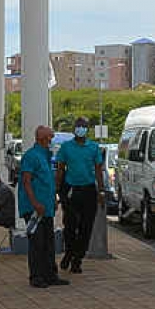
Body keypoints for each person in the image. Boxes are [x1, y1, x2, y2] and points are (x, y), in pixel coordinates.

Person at [19, 126, 69, 288]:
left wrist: (53, 199)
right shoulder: (31, 156)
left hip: (46, 207)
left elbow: (47, 181)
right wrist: (35, 203)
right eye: (50, 138)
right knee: (37, 242)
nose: (51, 141)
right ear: (42, 138)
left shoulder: (46, 156)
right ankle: (36, 276)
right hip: (35, 209)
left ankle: (50, 274)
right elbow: (26, 182)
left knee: (48, 242)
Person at [56, 116, 105, 274]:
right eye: (78, 126)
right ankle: (69, 252)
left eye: (84, 126)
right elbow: (60, 169)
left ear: (87, 129)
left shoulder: (94, 147)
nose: (81, 128)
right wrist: (57, 190)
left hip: (89, 190)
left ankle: (78, 259)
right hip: (71, 190)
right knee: (70, 225)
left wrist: (101, 191)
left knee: (86, 227)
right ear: (74, 129)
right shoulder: (66, 147)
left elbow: (98, 170)